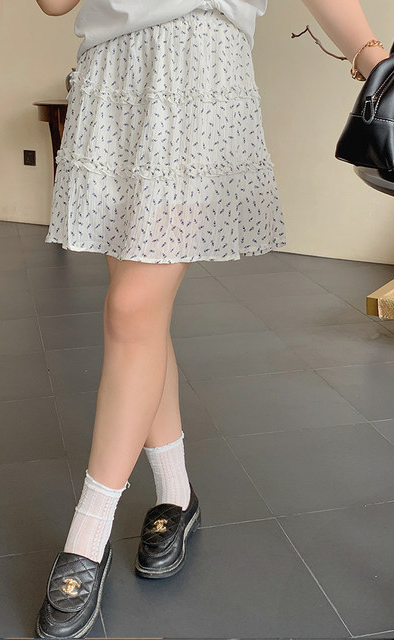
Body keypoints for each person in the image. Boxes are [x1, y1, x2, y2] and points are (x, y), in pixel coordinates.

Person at [33, 0, 390, 637]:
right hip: (114, 75)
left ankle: (88, 533)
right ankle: (177, 493)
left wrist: (374, 59)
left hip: (197, 74)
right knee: (142, 315)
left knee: (131, 308)